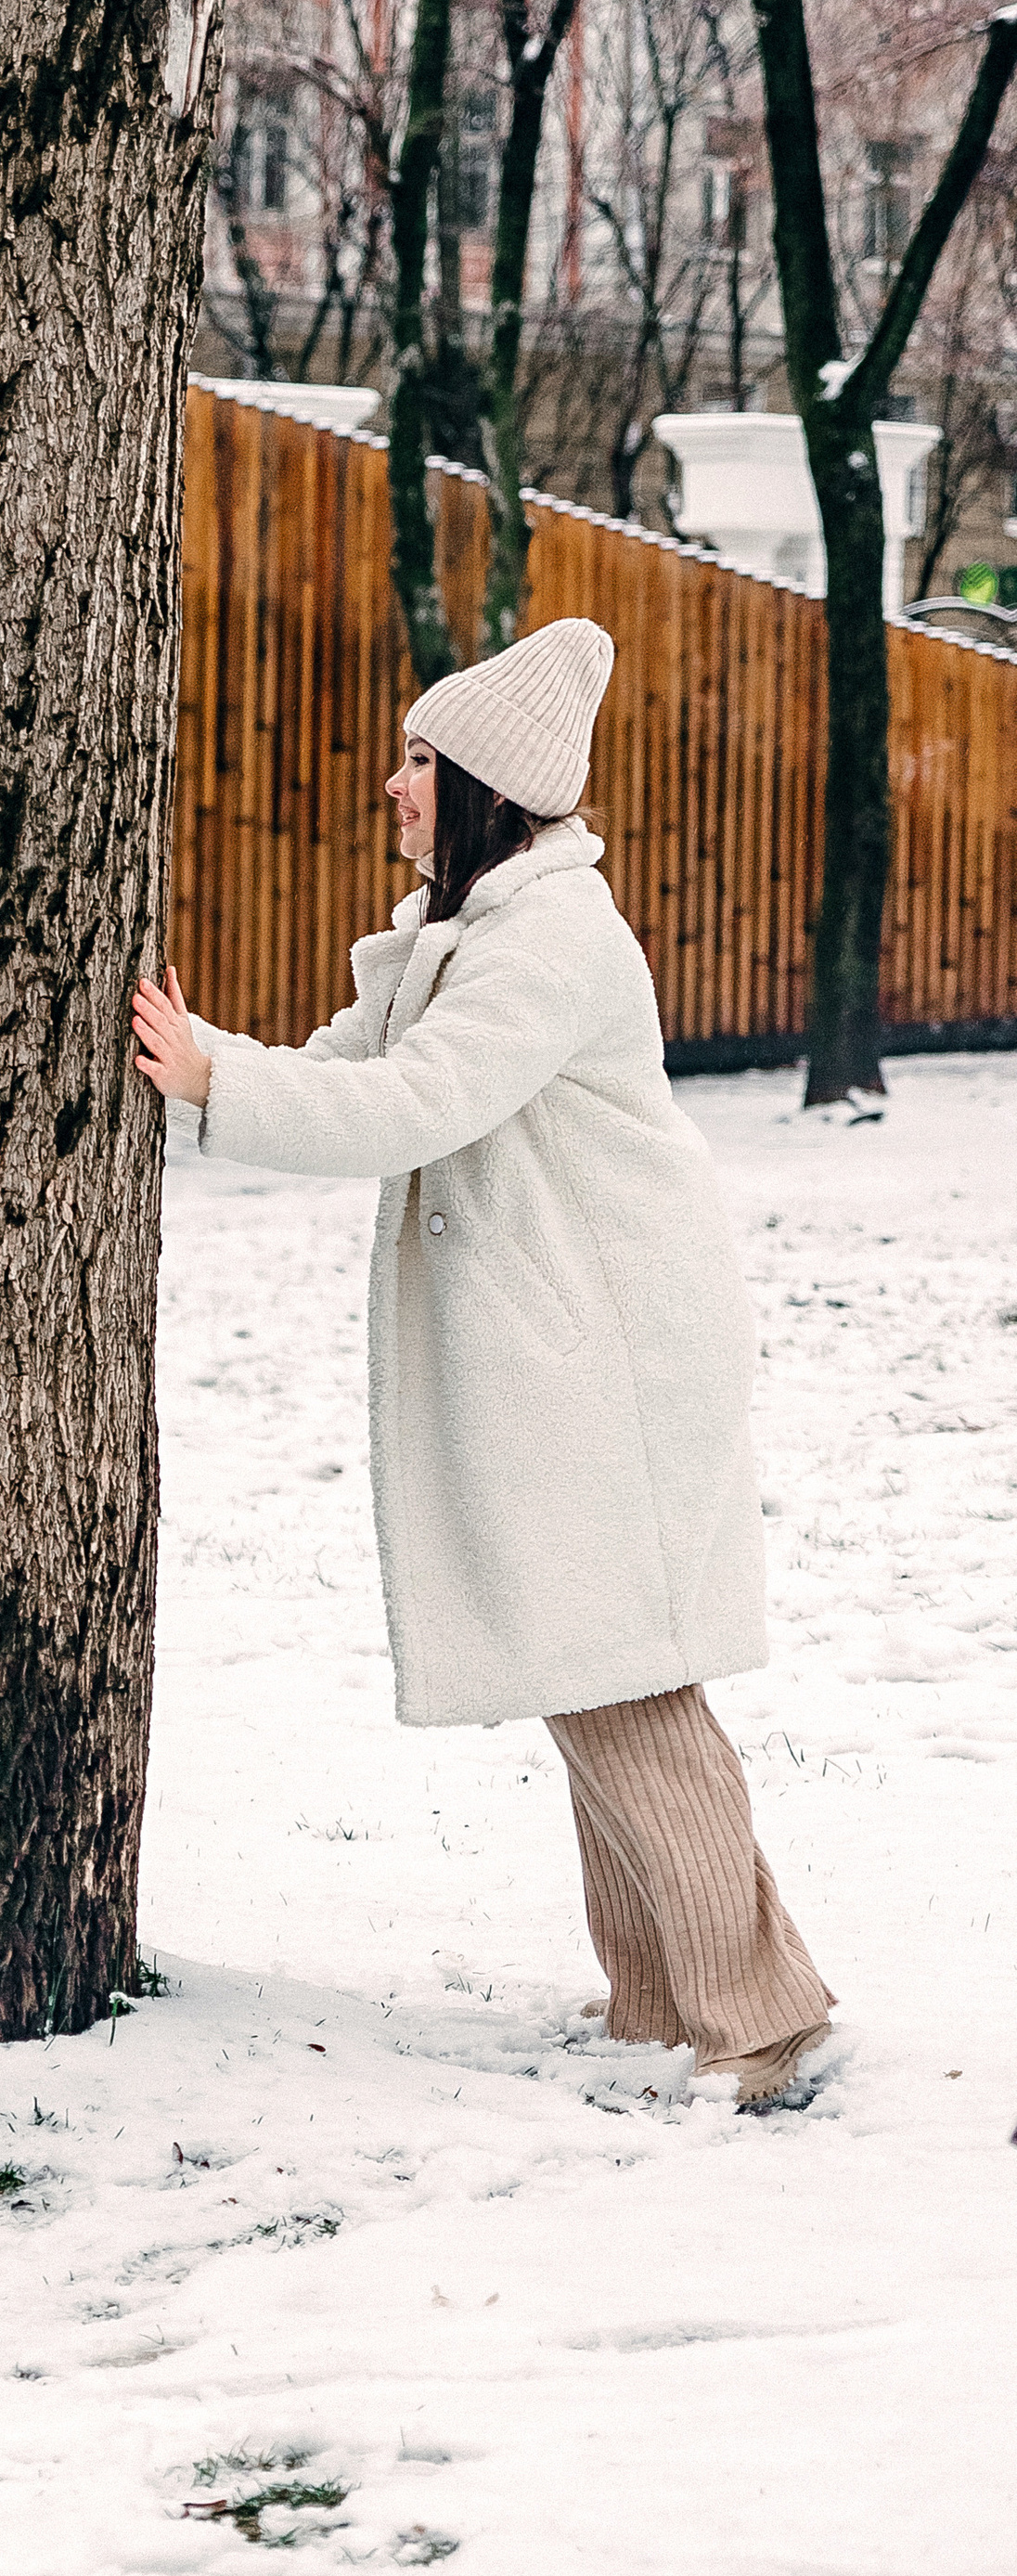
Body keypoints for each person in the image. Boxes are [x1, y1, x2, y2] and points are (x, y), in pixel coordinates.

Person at [128, 615, 832, 2113]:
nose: (392, 785)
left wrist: (211, 1081)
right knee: (590, 1663)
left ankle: (759, 2015)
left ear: (488, 790)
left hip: (607, 1352)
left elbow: (414, 1106)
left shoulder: (553, 942)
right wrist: (205, 1067)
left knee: (626, 1680)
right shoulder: (472, 932)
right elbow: (336, 1074)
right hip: (561, 1341)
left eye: (419, 762)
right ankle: (660, 1998)